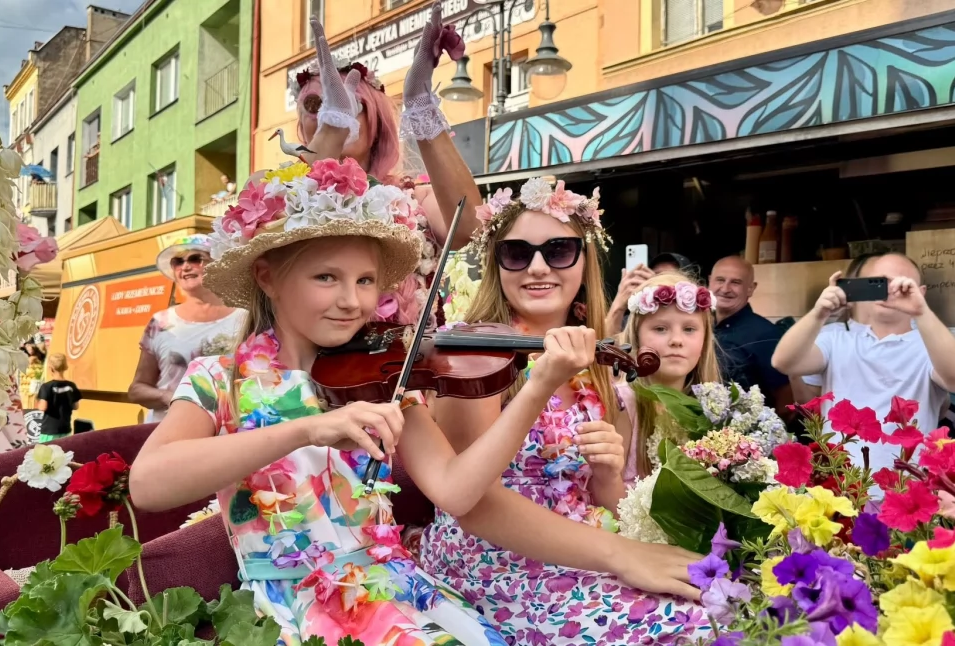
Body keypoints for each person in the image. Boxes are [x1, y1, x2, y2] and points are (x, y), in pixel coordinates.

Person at [130, 156, 604, 645]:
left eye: (364, 280)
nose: (352, 301)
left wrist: (535, 389)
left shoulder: (386, 376)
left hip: (393, 589)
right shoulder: (219, 379)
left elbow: (457, 491)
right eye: (326, 278)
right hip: (292, 608)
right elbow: (148, 484)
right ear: (267, 277)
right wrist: (305, 428)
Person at [423, 179, 710, 645]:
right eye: (516, 253)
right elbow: (472, 506)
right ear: (497, 265)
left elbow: (604, 500)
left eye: (558, 250)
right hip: (492, 565)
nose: (537, 266)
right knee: (691, 628)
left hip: (582, 552)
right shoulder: (470, 354)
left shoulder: (595, 358)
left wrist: (607, 475)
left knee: (724, 603)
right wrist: (622, 554)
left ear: (584, 262)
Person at [291, 3, 481, 324]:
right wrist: (332, 129)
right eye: (316, 105)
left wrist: (420, 105)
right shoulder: (275, 193)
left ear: (376, 118)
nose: (336, 111)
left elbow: (468, 228)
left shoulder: (414, 198)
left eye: (354, 104)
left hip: (405, 370)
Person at [771, 252, 955, 475]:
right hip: (841, 485)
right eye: (880, 283)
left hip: (909, 489)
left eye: (904, 286)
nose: (890, 292)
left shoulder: (930, 342)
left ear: (921, 292)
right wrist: (820, 313)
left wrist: (921, 311)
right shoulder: (835, 337)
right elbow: (784, 362)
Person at [129, 234, 246, 423]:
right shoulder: (160, 322)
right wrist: (170, 397)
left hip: (231, 430)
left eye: (195, 258)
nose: (185, 266)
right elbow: (137, 389)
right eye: (177, 262)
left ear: (218, 264)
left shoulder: (246, 317)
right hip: (168, 431)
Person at [620, 273, 725, 483]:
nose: (676, 340)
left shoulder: (715, 408)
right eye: (660, 329)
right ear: (637, 337)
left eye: (689, 329)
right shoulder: (622, 403)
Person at [709, 255, 793, 414]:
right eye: (720, 280)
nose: (725, 289)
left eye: (736, 282)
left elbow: (786, 399)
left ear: (751, 288)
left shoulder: (765, 334)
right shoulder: (699, 326)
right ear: (710, 281)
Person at [605, 252, 696, 335]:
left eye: (669, 276)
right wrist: (619, 304)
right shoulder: (633, 320)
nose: (660, 282)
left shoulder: (697, 318)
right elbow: (603, 345)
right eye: (656, 276)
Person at [36, 354, 82, 442]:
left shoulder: (46, 387)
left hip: (49, 430)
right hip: (65, 428)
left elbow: (43, 407)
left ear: (51, 368)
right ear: (65, 367)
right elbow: (76, 406)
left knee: (46, 454)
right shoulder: (71, 386)